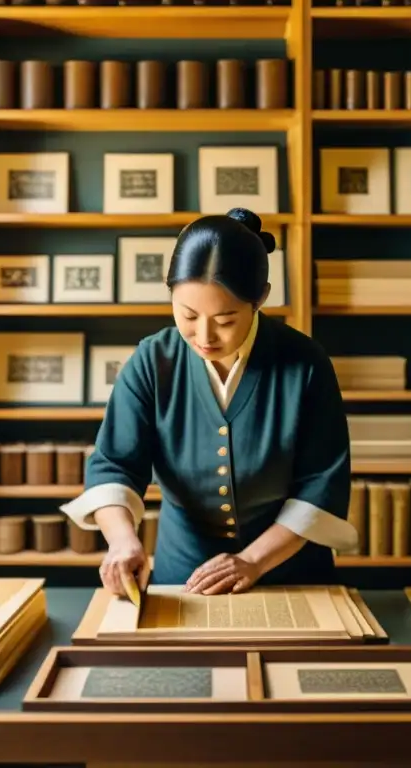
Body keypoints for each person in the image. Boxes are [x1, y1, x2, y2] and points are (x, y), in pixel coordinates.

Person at [62, 207, 357, 597]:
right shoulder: (153, 361)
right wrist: (121, 539)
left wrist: (254, 560)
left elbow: (321, 485)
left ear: (260, 299)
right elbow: (114, 464)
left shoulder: (305, 364)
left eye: (225, 319)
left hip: (289, 574)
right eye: (188, 315)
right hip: (184, 576)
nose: (204, 335)